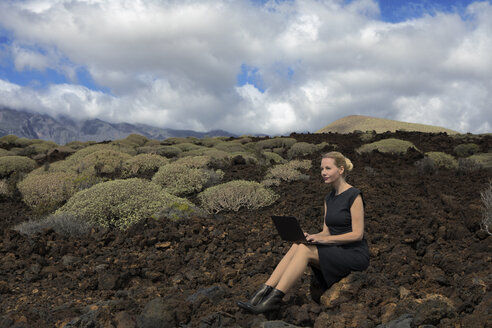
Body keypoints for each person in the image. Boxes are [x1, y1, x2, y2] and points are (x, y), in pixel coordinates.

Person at [237, 151, 370, 314]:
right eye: (321, 169)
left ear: (341, 170)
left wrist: (323, 241)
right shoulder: (329, 198)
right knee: (299, 244)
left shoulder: (354, 195)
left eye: (328, 168)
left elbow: (357, 234)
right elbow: (326, 231)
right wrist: (313, 237)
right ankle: (261, 294)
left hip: (354, 254)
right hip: (336, 250)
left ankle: (273, 301)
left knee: (305, 250)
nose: (323, 172)